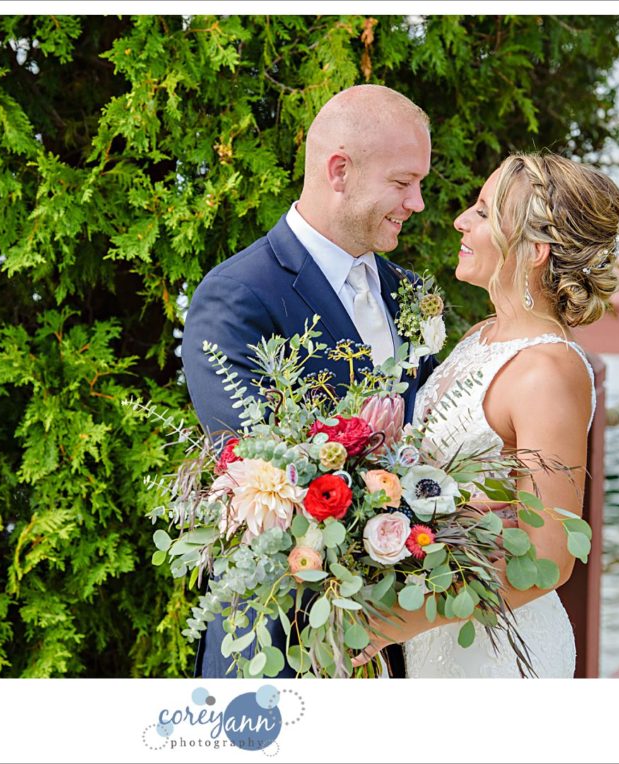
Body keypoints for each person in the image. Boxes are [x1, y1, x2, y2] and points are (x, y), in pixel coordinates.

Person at [181, 84, 439, 678]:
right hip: (281, 634)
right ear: (339, 171)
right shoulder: (238, 295)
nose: (417, 202)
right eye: (403, 183)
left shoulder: (410, 294)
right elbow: (257, 460)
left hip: (403, 639)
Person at [352, 152, 619, 677]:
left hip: (499, 651)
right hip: (438, 637)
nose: (460, 220)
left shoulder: (548, 371)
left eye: (482, 212)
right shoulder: (482, 335)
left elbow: (550, 557)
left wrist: (397, 621)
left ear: (535, 249)